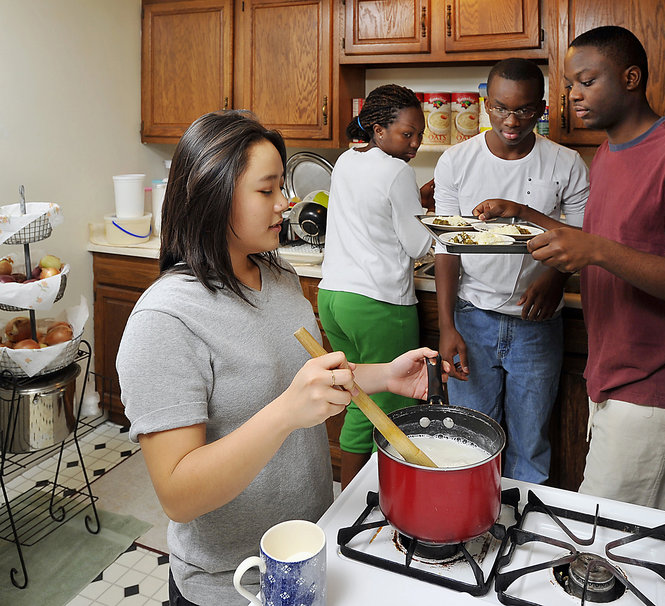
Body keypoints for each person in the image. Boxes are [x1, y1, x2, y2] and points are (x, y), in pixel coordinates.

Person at [116, 110, 444, 605]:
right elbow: (178, 494)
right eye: (267, 190)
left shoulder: (278, 275)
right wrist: (286, 415)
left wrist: (385, 376)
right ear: (213, 194)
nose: (287, 203)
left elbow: (301, 381)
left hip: (309, 550)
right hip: (230, 584)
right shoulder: (166, 320)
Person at [524, 26, 665, 512]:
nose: (573, 95)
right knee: (611, 542)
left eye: (587, 81)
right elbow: (612, 244)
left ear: (631, 77)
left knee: (606, 544)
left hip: (657, 385)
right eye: (569, 85)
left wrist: (593, 251)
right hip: (613, 374)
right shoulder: (607, 155)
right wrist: (528, 219)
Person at [434, 58, 589, 484]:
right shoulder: (455, 162)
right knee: (469, 441)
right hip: (471, 318)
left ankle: (522, 539)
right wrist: (447, 325)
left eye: (523, 110)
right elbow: (447, 245)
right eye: (501, 107)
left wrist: (555, 277)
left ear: (541, 108)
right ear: (486, 104)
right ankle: (472, 527)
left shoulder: (567, 164)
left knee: (531, 444)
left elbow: (580, 238)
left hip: (536, 324)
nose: (511, 120)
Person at [318, 84, 432, 488]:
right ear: (379, 129)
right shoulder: (398, 170)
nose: (416, 143)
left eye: (420, 134)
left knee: (357, 398)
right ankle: (391, 499)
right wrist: (440, 222)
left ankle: (347, 500)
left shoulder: (349, 158)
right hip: (379, 304)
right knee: (389, 407)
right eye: (408, 134)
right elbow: (418, 245)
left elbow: (374, 213)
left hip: (334, 297)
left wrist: (415, 204)